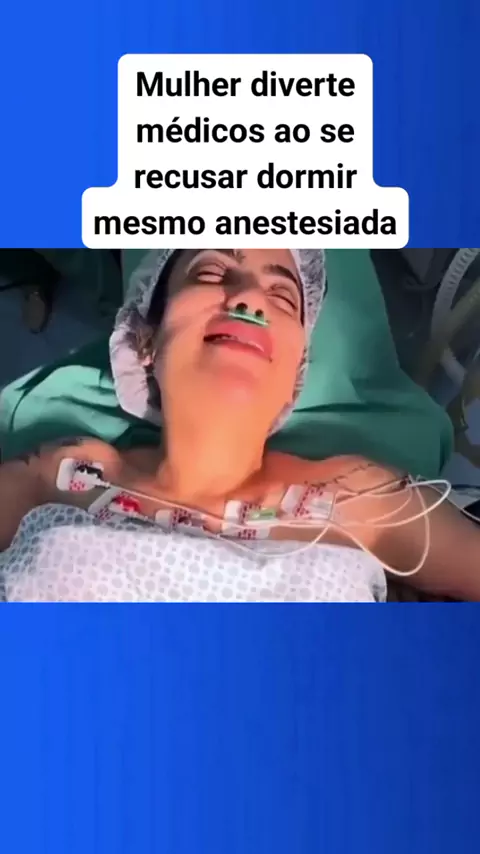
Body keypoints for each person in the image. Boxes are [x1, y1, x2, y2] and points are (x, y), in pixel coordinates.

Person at [0, 248, 478, 602]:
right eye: (211, 271)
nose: (250, 297)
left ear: (296, 374)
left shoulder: (359, 499)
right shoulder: (65, 474)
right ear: (144, 339)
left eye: (284, 296)